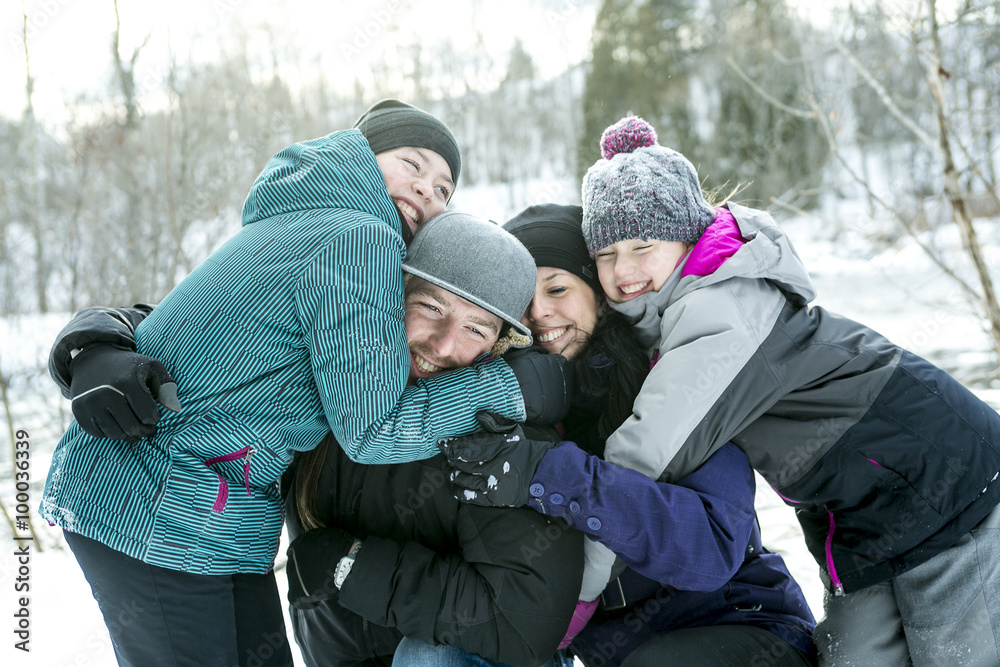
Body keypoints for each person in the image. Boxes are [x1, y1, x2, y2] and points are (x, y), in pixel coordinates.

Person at [444, 118, 1000, 666]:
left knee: (955, 653)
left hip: (944, 483)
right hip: (858, 514)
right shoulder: (663, 322)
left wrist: (576, 596)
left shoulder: (720, 313)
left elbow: (641, 459)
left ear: (687, 237)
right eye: (608, 254)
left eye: (642, 246)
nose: (624, 270)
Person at [39, 100, 571, 667]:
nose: (426, 189)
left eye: (444, 188)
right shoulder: (359, 236)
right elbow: (373, 429)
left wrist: (99, 335)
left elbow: (220, 326)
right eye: (412, 164)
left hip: (214, 512)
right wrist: (506, 388)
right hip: (157, 501)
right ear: (359, 151)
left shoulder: (302, 218)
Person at [434, 204, 815, 667]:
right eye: (521, 299)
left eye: (557, 289)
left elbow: (710, 547)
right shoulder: (505, 403)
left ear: (598, 295)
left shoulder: (671, 378)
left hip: (742, 628)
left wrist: (547, 474)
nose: (538, 313)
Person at [283, 210, 583, 667]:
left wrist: (352, 567)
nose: (443, 345)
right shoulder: (329, 384)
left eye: (475, 328)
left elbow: (523, 624)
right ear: (394, 296)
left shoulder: (499, 441)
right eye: (431, 307)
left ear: (498, 344)